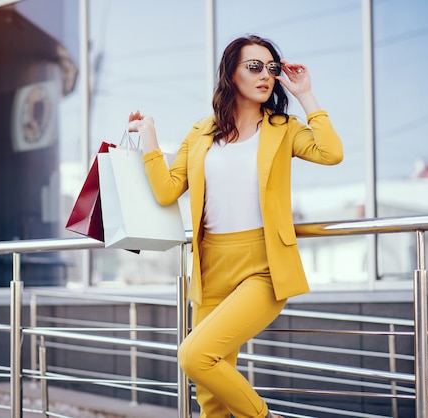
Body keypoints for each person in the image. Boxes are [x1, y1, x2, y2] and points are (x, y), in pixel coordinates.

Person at [128, 35, 343, 418]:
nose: (265, 75)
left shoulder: (283, 128)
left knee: (195, 356)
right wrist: (149, 139)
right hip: (211, 267)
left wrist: (306, 95)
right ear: (231, 73)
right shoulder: (201, 133)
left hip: (264, 268)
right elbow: (166, 191)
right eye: (254, 66)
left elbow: (331, 153)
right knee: (211, 400)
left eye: (271, 68)